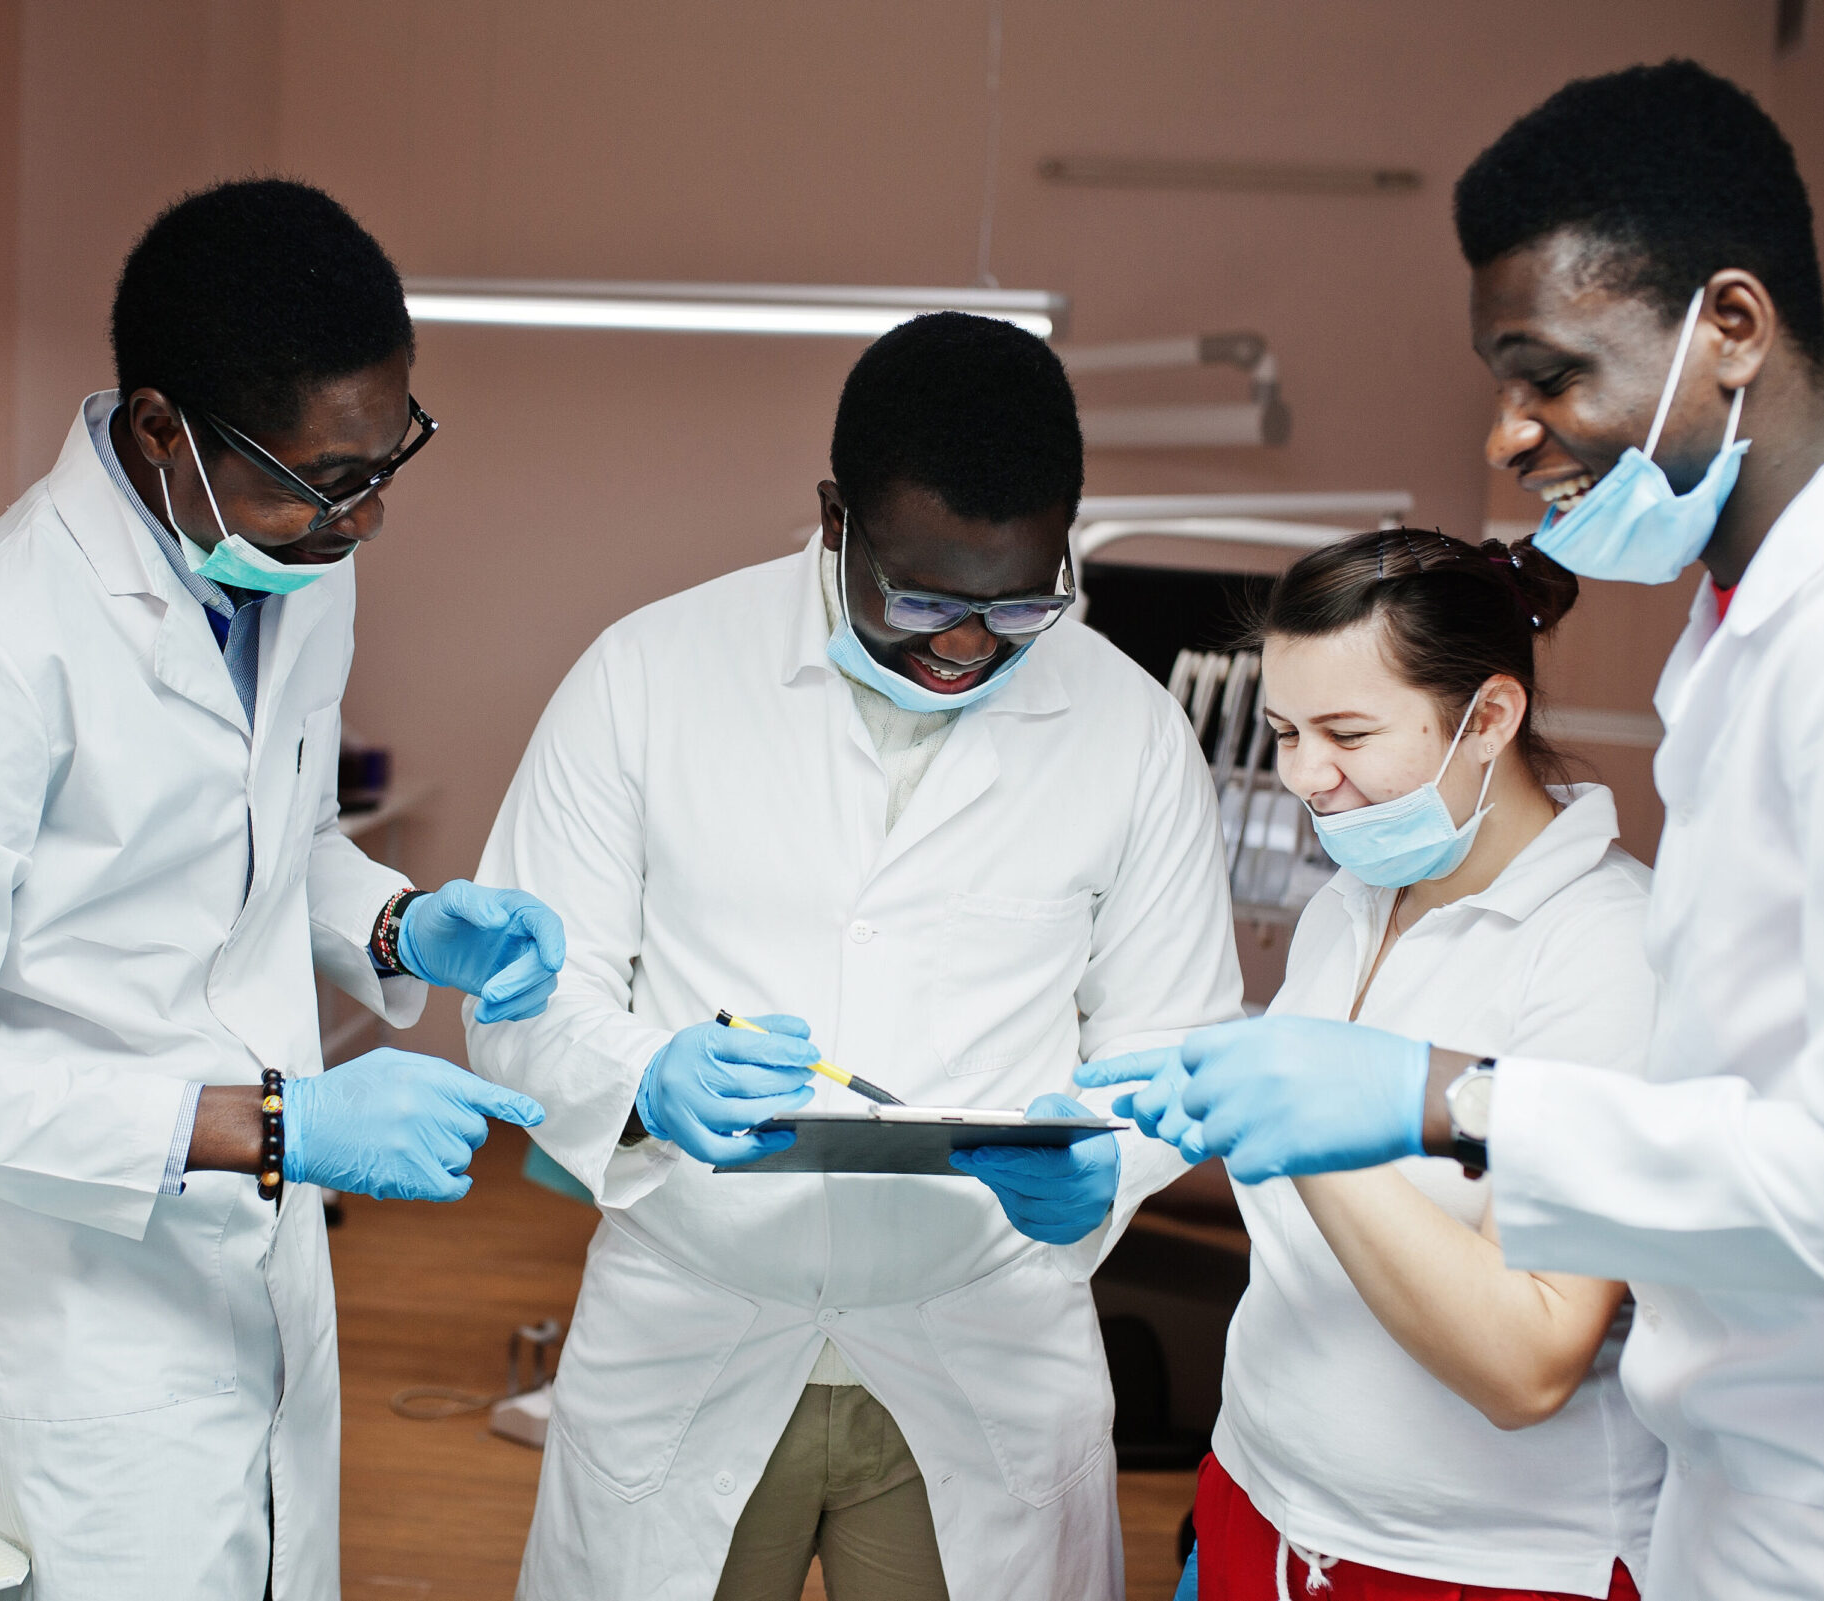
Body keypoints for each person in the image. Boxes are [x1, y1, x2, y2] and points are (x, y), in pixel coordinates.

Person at [1090, 61, 1824, 1600]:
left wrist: (1443, 1100)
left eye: (1548, 372)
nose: (1510, 435)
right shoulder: (1757, 649)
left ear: (1732, 329)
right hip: (1739, 1495)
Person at [0, 180, 559, 1599]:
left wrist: (394, 921)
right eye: (334, 477)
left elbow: (266, 844)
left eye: (391, 461)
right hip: (90, 1320)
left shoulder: (293, 562)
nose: (369, 517)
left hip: (267, 1266)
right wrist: (272, 1122)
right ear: (161, 432)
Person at [465, 311, 1245, 1601]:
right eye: (921, 595)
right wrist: (645, 1074)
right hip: (697, 1317)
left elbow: (1169, 1036)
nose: (964, 643)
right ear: (833, 518)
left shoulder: (1131, 728)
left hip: (980, 1335)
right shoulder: (647, 676)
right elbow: (521, 997)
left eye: (1017, 601)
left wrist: (1107, 1158)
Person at [1118, 528, 1664, 1601]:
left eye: (1348, 732)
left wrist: (1311, 1128)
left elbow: (1528, 1359)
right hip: (1254, 1500)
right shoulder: (1348, 905)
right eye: (1283, 730)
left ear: (1489, 718)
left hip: (1474, 1563)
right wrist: (1123, 1154)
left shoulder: (1609, 948)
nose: (1305, 777)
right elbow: (1322, 1230)